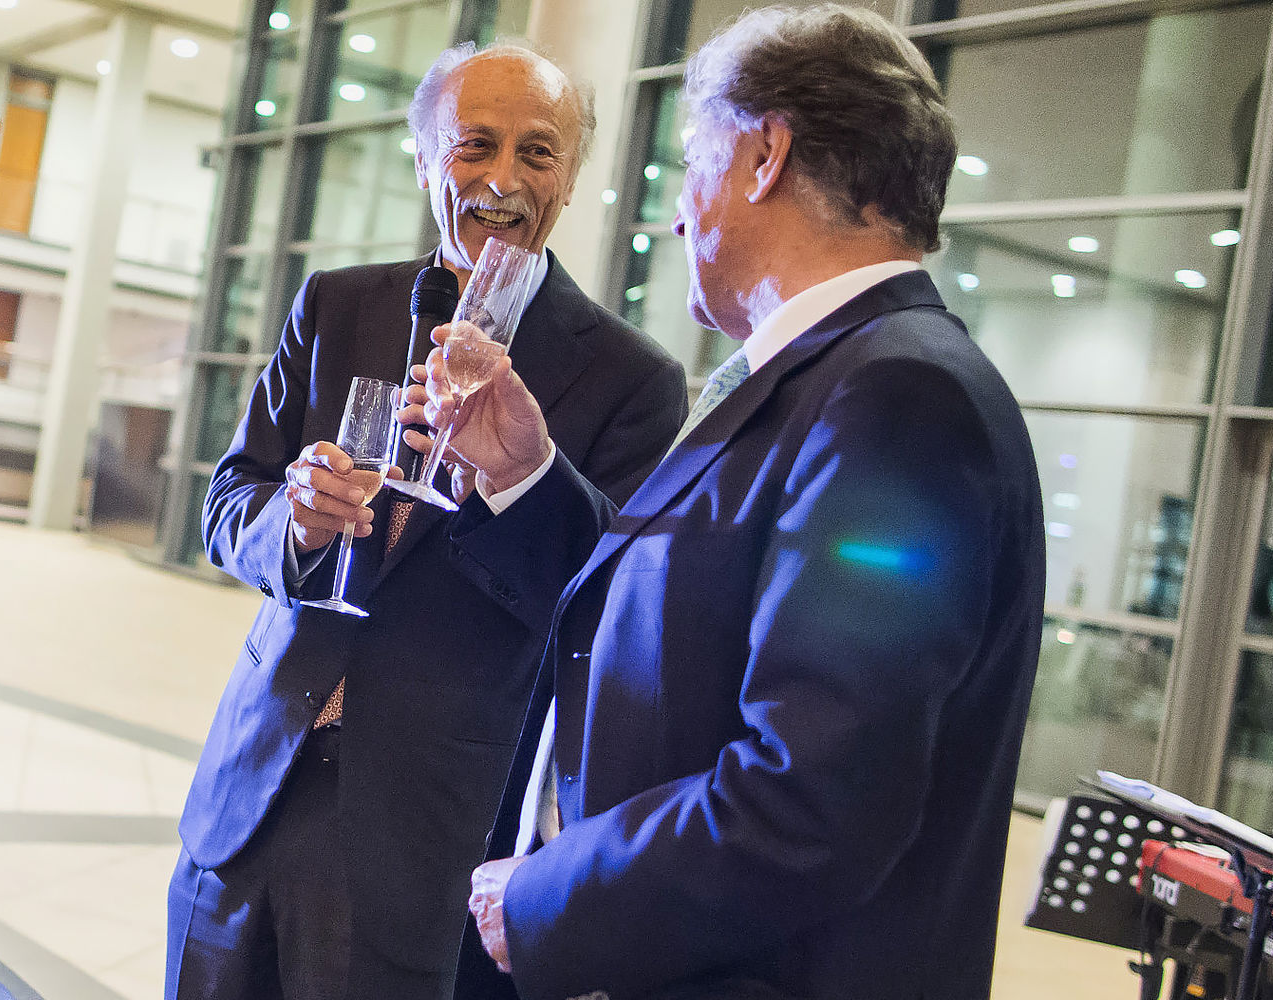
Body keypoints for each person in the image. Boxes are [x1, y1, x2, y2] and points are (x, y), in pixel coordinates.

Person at [441, 6, 1046, 999]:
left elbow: (812, 798)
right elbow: (679, 627)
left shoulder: (900, 400)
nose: (677, 212)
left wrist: (551, 895)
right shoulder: (829, 375)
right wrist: (523, 472)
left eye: (690, 162)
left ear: (766, 154)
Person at [166, 42, 688, 1000]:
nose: (503, 179)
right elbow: (228, 498)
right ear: (421, 157)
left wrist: (523, 476)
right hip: (248, 793)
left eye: (537, 153)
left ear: (571, 177)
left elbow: (608, 603)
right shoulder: (335, 303)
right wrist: (297, 524)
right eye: (473, 145)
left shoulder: (633, 379)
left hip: (424, 831)